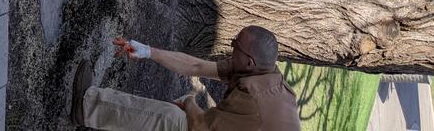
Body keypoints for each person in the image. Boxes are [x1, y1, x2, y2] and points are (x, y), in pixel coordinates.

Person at [70, 25, 301, 130]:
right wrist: (148, 51)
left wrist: (189, 103)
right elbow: (197, 66)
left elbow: (200, 126)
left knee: (172, 119)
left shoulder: (253, 100)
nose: (231, 47)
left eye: (235, 45)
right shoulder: (261, 72)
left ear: (249, 61)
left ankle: (86, 107)